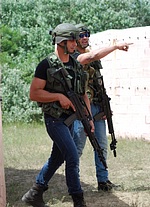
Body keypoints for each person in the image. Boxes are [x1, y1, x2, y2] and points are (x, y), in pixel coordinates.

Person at [22, 22, 131, 207]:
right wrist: (57, 96)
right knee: (72, 156)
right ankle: (78, 200)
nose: (76, 42)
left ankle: (35, 192)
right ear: (61, 41)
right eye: (72, 39)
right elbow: (34, 93)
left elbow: (82, 95)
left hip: (70, 120)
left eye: (76, 39)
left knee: (57, 157)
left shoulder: (76, 65)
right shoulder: (46, 64)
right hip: (54, 120)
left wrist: (88, 118)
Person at [72, 23, 131, 191]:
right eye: (81, 34)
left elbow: (98, 82)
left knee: (101, 146)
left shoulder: (92, 58)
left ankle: (103, 181)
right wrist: (115, 46)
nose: (85, 37)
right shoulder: (75, 56)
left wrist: (105, 105)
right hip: (82, 109)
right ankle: (74, 184)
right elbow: (91, 56)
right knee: (77, 148)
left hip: (97, 107)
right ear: (74, 38)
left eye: (87, 34)